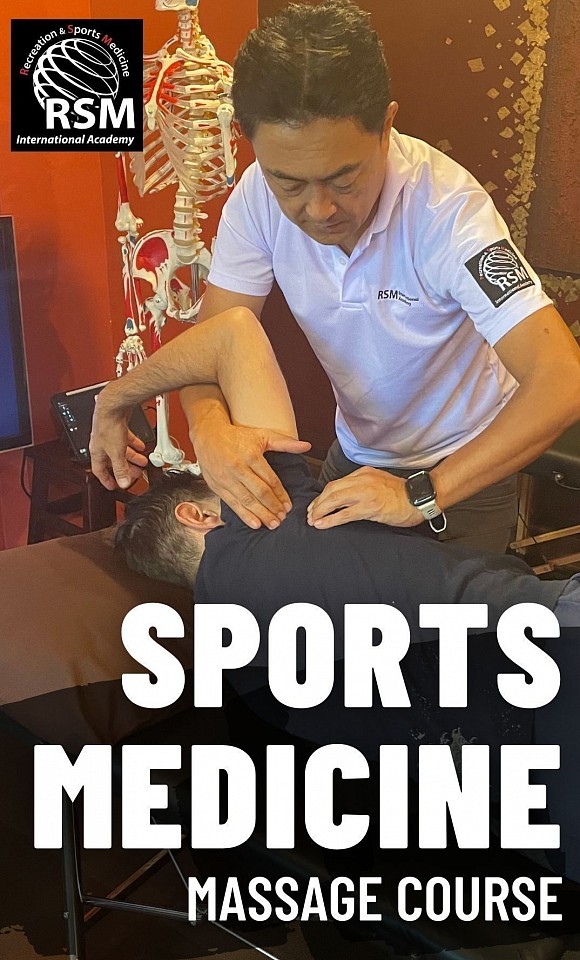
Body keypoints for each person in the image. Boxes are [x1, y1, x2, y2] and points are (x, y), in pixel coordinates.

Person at [96, 308, 580, 886]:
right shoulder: (262, 514)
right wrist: (118, 403)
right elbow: (232, 331)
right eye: (217, 478)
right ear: (198, 514)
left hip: (521, 800)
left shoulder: (248, 675)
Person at [91, 0, 580, 555]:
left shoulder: (448, 213)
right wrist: (208, 428)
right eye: (290, 183)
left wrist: (423, 493)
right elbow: (211, 342)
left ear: (386, 126)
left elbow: (561, 379)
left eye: (344, 180)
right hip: (354, 455)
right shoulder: (255, 198)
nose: (319, 210)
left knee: (441, 614)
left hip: (461, 468)